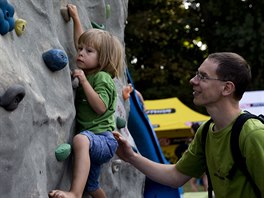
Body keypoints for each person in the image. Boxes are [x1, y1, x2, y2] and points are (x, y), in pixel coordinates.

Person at [113, 52, 264, 198]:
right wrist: (131, 156)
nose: (193, 80)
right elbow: (175, 176)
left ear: (227, 88)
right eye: (197, 74)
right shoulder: (205, 131)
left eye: (203, 77)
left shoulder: (253, 134)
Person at [49, 4, 124, 198]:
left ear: (103, 58)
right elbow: (80, 42)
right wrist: (76, 18)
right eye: (80, 49)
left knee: (81, 139)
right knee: (92, 187)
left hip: (103, 140)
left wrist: (83, 81)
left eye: (88, 51)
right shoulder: (90, 70)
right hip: (94, 142)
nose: (80, 53)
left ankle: (74, 193)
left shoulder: (101, 78)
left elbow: (100, 107)